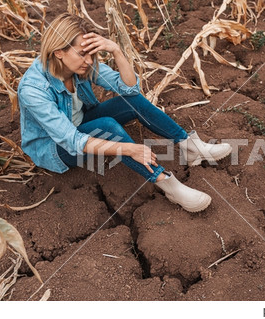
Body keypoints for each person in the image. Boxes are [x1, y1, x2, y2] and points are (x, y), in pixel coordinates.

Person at [18, 13, 232, 213]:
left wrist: (116, 51)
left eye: (92, 54)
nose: (89, 61)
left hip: (81, 124)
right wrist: (129, 149)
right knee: (108, 127)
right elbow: (71, 140)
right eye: (82, 54)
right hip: (55, 148)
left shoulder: (80, 65)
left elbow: (129, 89)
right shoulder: (34, 89)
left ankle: (190, 147)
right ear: (58, 52)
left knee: (132, 102)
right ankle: (166, 183)